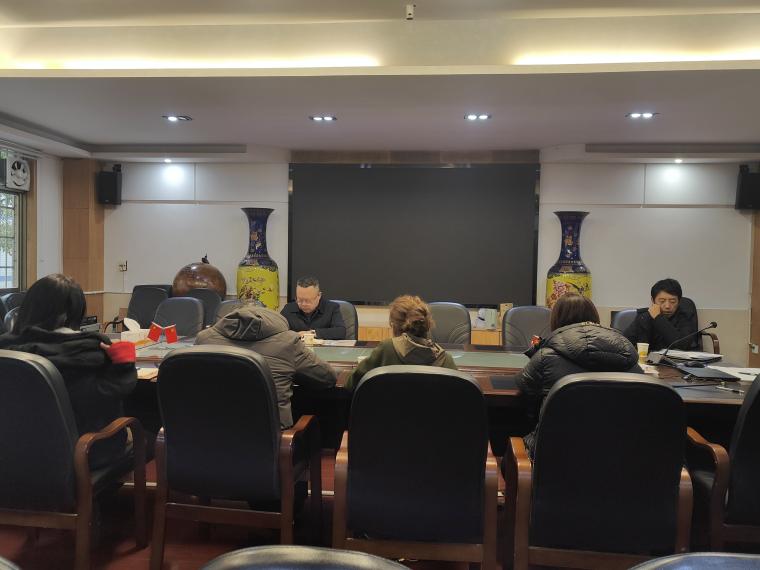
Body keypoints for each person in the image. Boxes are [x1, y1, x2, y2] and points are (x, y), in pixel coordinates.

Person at [0, 274, 137, 468]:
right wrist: (124, 363)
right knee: (143, 433)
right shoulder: (90, 349)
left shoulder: (6, 348)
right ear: (70, 313)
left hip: (13, 454)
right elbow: (106, 395)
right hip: (82, 453)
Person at [516, 293, 640, 458]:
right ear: (595, 317)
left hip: (555, 455)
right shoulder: (629, 357)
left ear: (557, 320)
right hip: (620, 456)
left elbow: (523, 384)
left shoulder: (546, 356)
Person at [195, 305, 337, 428]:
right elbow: (327, 377)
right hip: (270, 438)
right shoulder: (288, 342)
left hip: (206, 432)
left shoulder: (204, 339)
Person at [345, 295, 457, 390]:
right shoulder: (446, 360)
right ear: (428, 325)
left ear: (394, 326)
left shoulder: (386, 349)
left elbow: (350, 384)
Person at [623, 278, 698, 351]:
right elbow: (623, 344)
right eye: (662, 301)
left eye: (672, 301)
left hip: (675, 359)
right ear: (653, 300)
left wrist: (658, 318)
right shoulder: (644, 317)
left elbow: (683, 344)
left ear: (679, 301)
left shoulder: (685, 316)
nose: (667, 306)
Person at [280, 277, 346, 340]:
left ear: (319, 296)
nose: (303, 304)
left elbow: (340, 332)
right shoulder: (288, 309)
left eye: (308, 300)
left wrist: (312, 333)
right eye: (299, 300)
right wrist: (294, 335)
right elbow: (277, 331)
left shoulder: (332, 308)